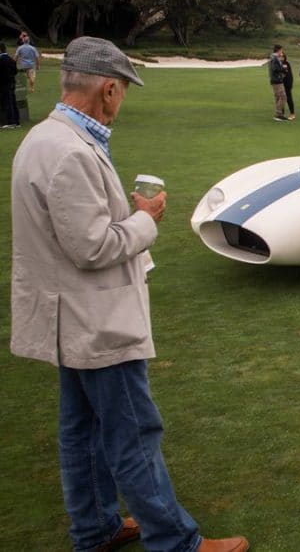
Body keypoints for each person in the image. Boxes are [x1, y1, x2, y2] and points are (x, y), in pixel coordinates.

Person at [9, 36, 249, 552]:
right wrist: (145, 219)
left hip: (68, 316)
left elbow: (72, 231)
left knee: (83, 430)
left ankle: (96, 528)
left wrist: (127, 214)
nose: (122, 103)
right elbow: (93, 247)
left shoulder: (44, 138)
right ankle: (176, 541)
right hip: (94, 319)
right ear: (110, 90)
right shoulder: (69, 151)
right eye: (124, 93)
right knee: (132, 432)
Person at [268, 44, 289, 122]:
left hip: (276, 80)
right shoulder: (274, 58)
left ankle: (279, 115)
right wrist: (283, 69)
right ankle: (278, 114)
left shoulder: (274, 58)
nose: (282, 52)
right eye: (281, 50)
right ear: (279, 50)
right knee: (283, 97)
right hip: (276, 80)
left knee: (278, 97)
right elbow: (275, 69)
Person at [0, 42, 18, 129]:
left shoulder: (1, 60)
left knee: (7, 103)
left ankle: (10, 122)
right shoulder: (11, 60)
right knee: (13, 102)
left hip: (4, 84)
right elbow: (15, 72)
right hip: (12, 83)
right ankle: (17, 121)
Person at [281, 50, 296, 120]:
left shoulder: (285, 64)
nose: (281, 58)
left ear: (284, 57)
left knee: (288, 98)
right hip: (282, 83)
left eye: (282, 56)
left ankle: (292, 113)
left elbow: (285, 74)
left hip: (287, 83)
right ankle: (281, 113)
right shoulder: (280, 63)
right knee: (281, 99)